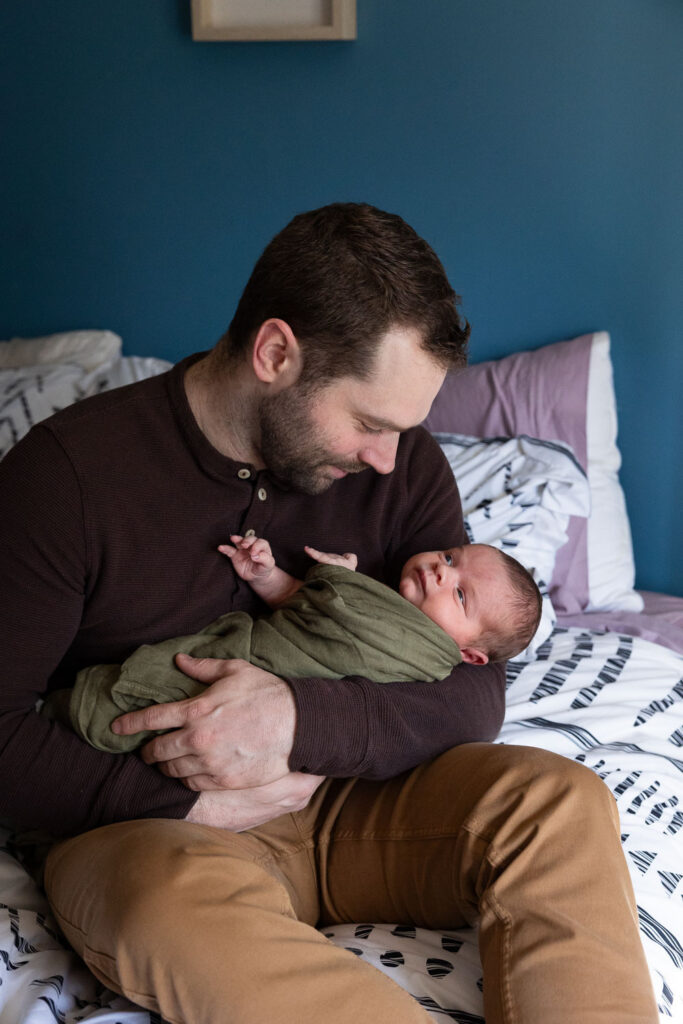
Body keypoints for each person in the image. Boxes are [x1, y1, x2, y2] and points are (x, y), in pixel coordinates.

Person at [0, 202, 656, 1024]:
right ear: (276, 353)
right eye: (369, 423)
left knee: (555, 801)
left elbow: (470, 690)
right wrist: (191, 803)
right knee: (157, 906)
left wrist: (295, 721)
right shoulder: (65, 481)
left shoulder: (403, 463)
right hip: (154, 823)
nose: (388, 458)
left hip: (349, 801)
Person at [42, 534, 543, 753]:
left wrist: (339, 578)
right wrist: (268, 576)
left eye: (459, 593)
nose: (440, 569)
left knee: (123, 703)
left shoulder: (415, 651)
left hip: (248, 684)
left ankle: (55, 720)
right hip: (255, 662)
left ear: (468, 655)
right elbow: (309, 615)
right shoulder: (376, 608)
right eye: (452, 556)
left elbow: (335, 614)